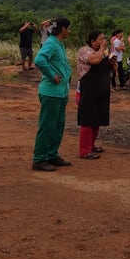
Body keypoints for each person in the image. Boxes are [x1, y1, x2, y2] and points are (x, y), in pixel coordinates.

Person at [31, 17, 73, 171]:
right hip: (51, 93)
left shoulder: (58, 44)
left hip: (60, 92)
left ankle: (52, 154)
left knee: (57, 125)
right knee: (48, 126)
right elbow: (39, 60)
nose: (69, 31)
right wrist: (52, 75)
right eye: (68, 28)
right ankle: (40, 159)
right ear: (62, 28)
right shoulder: (51, 43)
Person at [76, 31, 113, 159]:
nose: (104, 41)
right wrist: (103, 48)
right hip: (87, 91)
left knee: (97, 119)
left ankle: (91, 145)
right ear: (93, 41)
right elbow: (95, 60)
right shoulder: (85, 50)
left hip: (100, 91)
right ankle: (84, 151)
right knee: (87, 120)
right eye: (101, 39)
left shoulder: (102, 53)